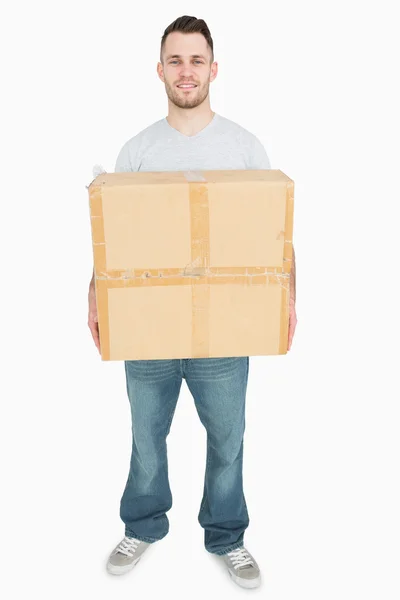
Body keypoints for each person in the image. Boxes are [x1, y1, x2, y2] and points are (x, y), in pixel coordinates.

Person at [88, 15, 297, 590]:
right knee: (145, 438)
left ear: (213, 68)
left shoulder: (244, 146)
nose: (186, 71)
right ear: (160, 70)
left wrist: (288, 297)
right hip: (149, 333)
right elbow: (113, 238)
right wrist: (96, 296)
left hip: (226, 333)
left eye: (196, 60)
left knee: (228, 439)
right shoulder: (138, 150)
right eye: (175, 60)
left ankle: (227, 536)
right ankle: (143, 525)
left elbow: (276, 233)